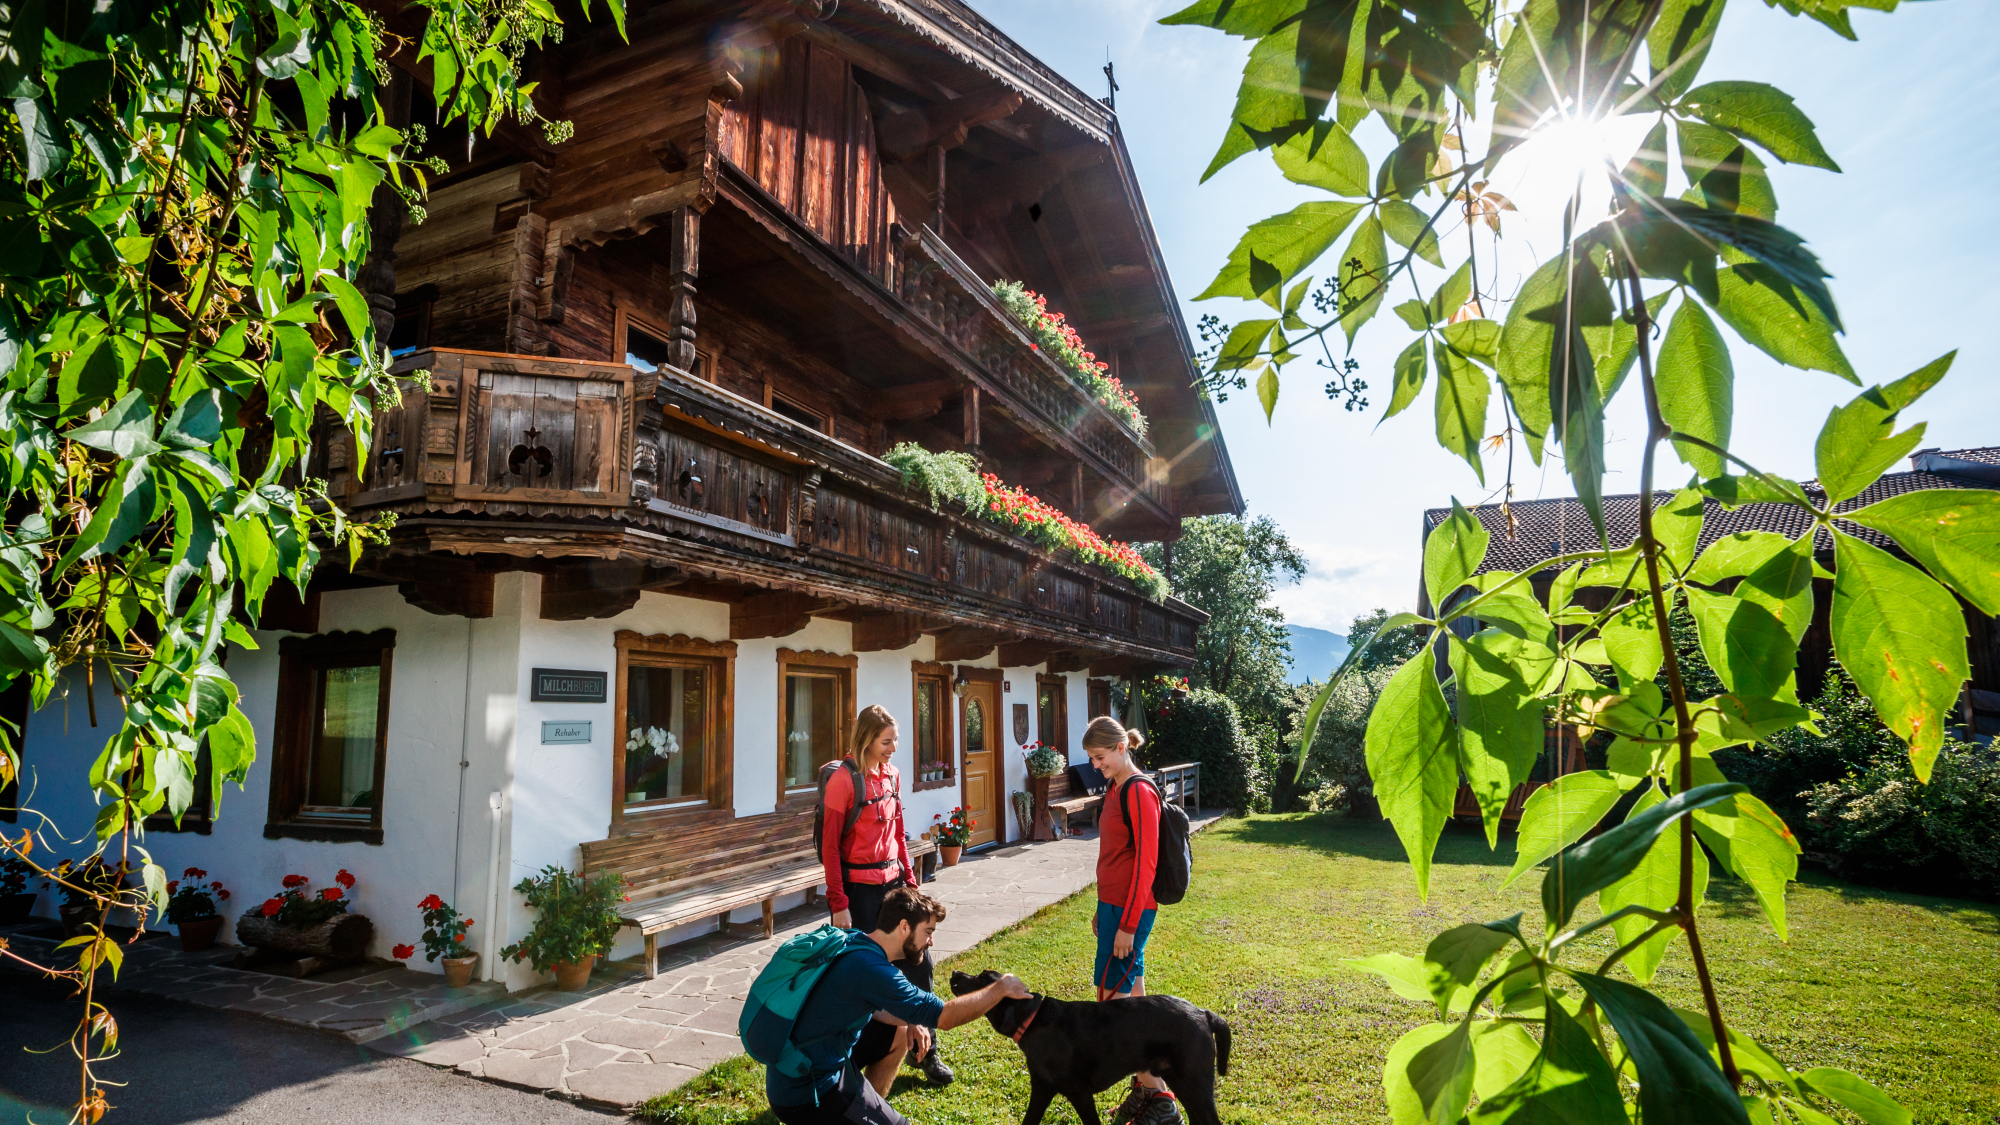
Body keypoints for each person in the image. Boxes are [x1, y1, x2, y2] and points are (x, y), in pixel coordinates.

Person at [767, 886, 1032, 1125]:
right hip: (807, 1093)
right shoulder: (876, 971)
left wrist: (911, 1019)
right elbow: (945, 1017)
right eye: (928, 932)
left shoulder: (856, 941)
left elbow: (870, 1006)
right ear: (904, 927)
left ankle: (862, 1110)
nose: (931, 942)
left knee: (900, 1031)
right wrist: (1002, 987)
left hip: (796, 1070)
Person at [818, 705, 952, 1087]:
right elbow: (830, 848)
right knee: (868, 971)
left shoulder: (892, 774)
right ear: (866, 739)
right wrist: (839, 903)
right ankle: (853, 1056)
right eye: (886, 741)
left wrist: (911, 882)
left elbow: (898, 833)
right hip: (859, 892)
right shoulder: (844, 781)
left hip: (895, 884)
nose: (894, 748)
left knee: (920, 961)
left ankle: (926, 1050)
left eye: (895, 740)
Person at [1083, 714, 1180, 1125]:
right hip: (1114, 907)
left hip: (1130, 912)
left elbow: (1146, 863)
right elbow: (1115, 857)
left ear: (1122, 748)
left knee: (1113, 1010)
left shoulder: (1139, 791)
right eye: (1092, 759)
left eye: (1100, 757)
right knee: (1135, 1006)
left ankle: (1161, 1101)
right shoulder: (1115, 786)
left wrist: (1126, 924)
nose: (1096, 765)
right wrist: (1102, 907)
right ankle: (1149, 1092)